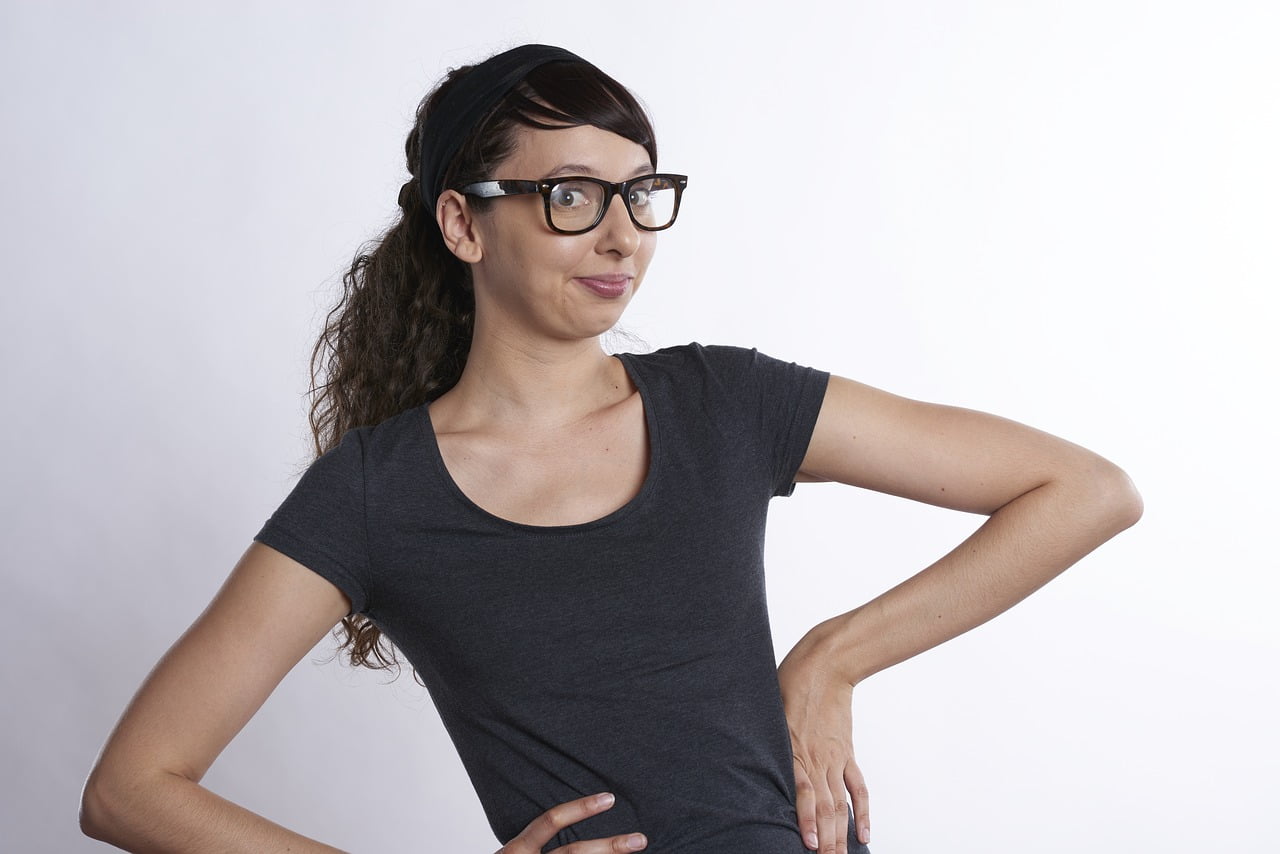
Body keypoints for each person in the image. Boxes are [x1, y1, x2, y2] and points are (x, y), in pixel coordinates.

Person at [80, 44, 1142, 854]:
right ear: (463, 224)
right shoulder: (376, 488)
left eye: (639, 192)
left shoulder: (723, 400)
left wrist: (831, 655)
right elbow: (132, 786)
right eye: (570, 195)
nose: (622, 234)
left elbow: (1083, 489)